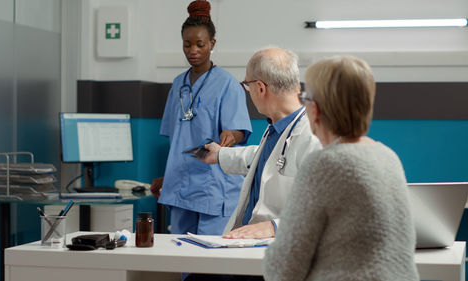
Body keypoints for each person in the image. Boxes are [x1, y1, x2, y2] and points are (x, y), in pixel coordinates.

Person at [263, 55, 419, 281]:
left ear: (314, 110)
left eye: (304, 98)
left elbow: (283, 268)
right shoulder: (388, 157)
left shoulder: (324, 164)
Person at [150, 0, 252, 236]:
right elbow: (178, 141)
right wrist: (169, 175)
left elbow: (238, 132)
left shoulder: (228, 85)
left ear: (212, 44)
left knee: (211, 263)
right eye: (187, 45)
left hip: (213, 187)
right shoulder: (178, 85)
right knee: (181, 258)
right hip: (180, 187)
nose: (193, 51)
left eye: (200, 44)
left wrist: (232, 135)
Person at [200, 47, 321, 239]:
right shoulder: (277, 128)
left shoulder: (314, 137)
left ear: (260, 88)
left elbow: (326, 210)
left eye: (248, 86)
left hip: (282, 249)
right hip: (252, 246)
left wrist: (274, 227)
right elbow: (265, 160)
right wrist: (220, 154)